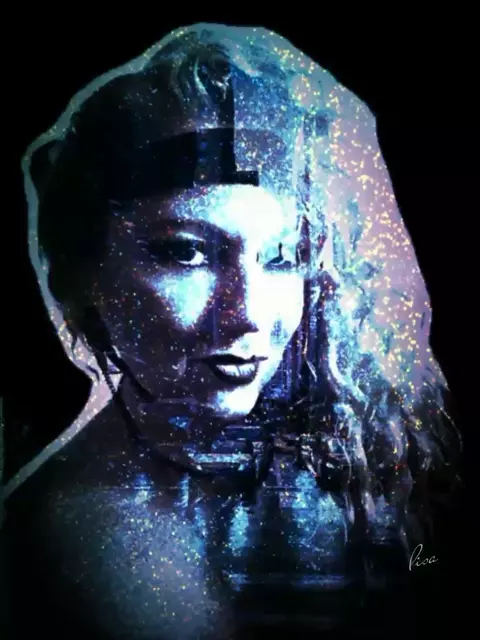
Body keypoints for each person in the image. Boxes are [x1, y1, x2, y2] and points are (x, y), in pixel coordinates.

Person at [3, 23, 460, 639]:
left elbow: (423, 560)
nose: (247, 313)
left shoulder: (333, 451)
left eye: (283, 256)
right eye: (187, 252)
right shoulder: (85, 551)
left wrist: (419, 564)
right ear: (85, 272)